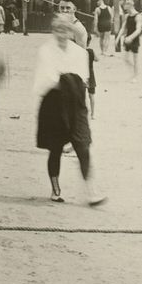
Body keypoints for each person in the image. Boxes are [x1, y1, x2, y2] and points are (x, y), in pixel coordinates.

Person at [33, 14, 103, 204]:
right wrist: (66, 80)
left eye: (65, 30)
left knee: (83, 145)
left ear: (71, 32)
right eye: (58, 30)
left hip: (75, 104)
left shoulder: (79, 53)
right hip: (54, 104)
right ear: (53, 31)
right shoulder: (45, 51)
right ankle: (55, 190)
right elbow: (45, 81)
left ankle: (91, 191)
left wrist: (65, 79)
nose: (61, 34)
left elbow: (84, 79)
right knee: (55, 148)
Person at [118, 0, 142, 82]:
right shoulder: (127, 16)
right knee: (126, 59)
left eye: (125, 5)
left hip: (134, 39)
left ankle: (135, 76)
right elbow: (123, 28)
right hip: (127, 38)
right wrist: (118, 38)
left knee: (135, 59)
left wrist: (131, 37)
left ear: (130, 5)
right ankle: (135, 73)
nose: (124, 7)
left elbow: (138, 30)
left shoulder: (138, 16)